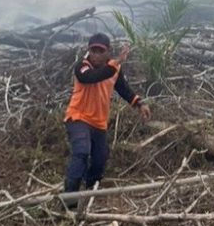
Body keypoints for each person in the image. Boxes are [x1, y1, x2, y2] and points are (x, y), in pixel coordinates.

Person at [62, 32, 151, 196]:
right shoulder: (82, 66)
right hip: (78, 117)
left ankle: (89, 193)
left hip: (99, 123)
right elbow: (92, 77)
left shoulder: (114, 69)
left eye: (100, 51)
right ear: (88, 51)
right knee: (81, 152)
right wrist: (116, 63)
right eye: (93, 51)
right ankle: (69, 199)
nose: (96, 55)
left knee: (100, 160)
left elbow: (123, 89)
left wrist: (139, 103)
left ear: (108, 51)